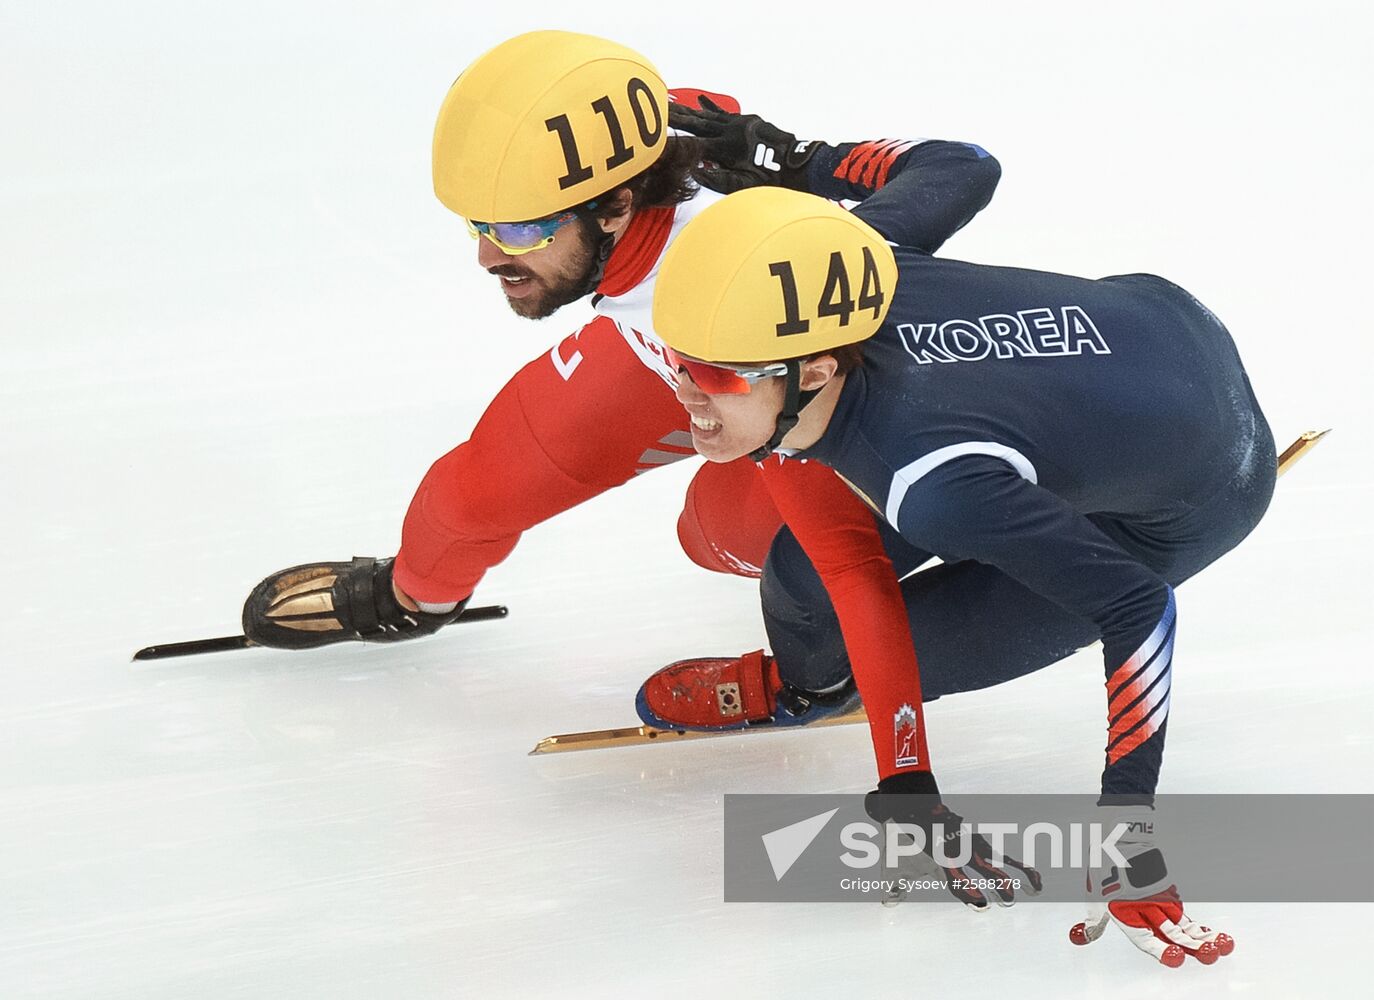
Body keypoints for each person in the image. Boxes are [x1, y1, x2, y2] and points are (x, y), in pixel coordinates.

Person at [641, 186, 1266, 965]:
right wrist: (907, 778)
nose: (685, 394)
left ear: (815, 369)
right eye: (676, 361)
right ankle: (845, 650)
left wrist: (1127, 834)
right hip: (1157, 323)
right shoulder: (844, 272)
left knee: (915, 635)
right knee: (802, 576)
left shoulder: (931, 481)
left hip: (1198, 491)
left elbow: (1138, 606)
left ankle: (980, 552)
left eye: (720, 377)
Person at [237, 31, 1002, 655]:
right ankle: (418, 599)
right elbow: (687, 105)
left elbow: (962, 167)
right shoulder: (644, 138)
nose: (486, 256)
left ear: (614, 206)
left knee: (717, 534)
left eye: (518, 229)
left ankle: (990, 534)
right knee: (464, 501)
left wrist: (810, 177)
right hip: (662, 350)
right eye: (478, 224)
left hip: (782, 380)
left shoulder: (755, 252)